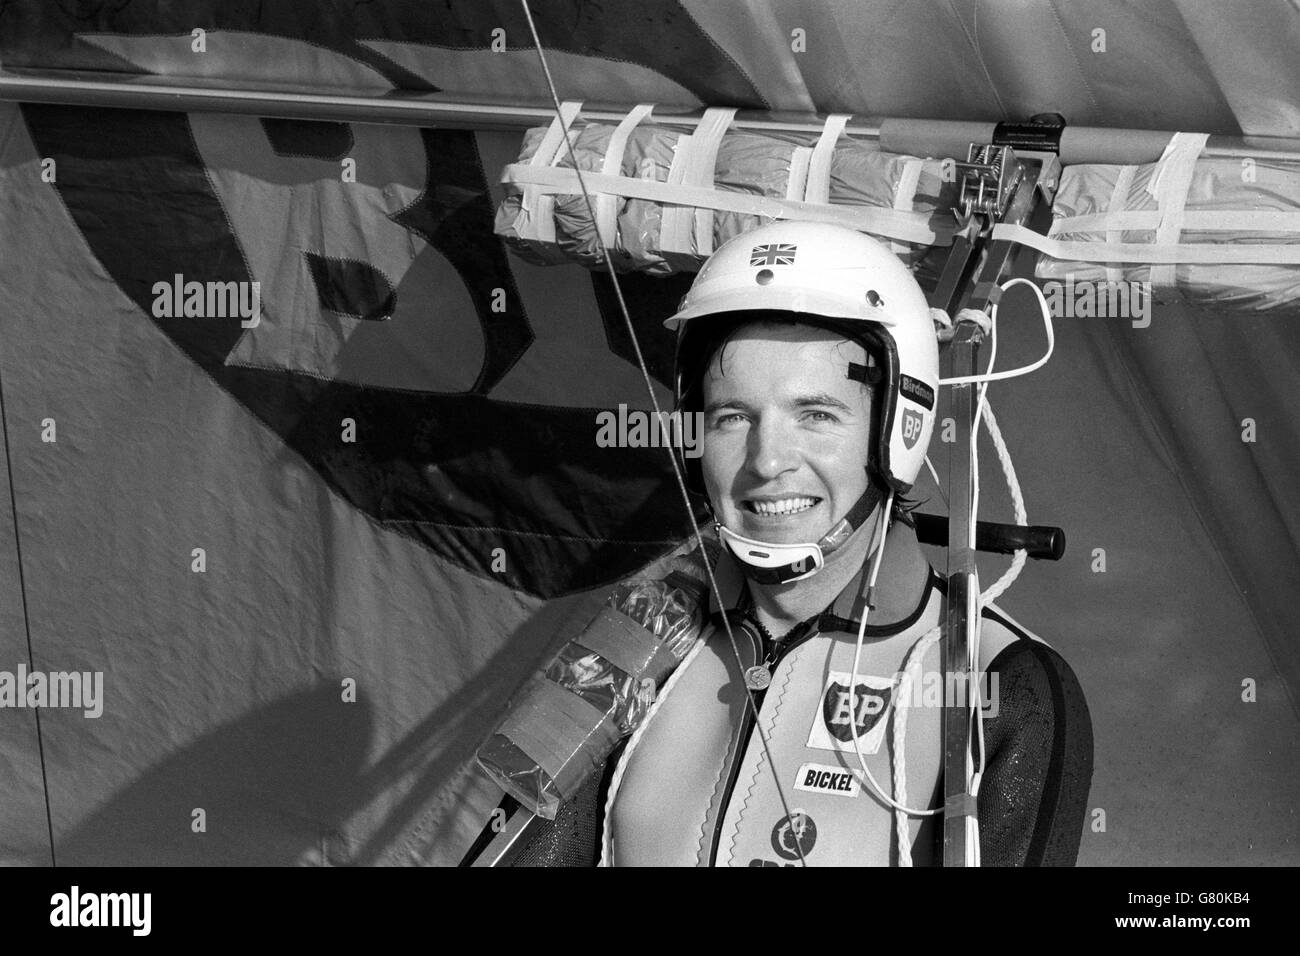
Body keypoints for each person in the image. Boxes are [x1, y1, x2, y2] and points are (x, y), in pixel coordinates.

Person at [517, 220, 1093, 866]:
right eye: (733, 417)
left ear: (899, 428)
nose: (768, 461)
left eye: (815, 415)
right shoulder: (637, 628)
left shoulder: (995, 680)